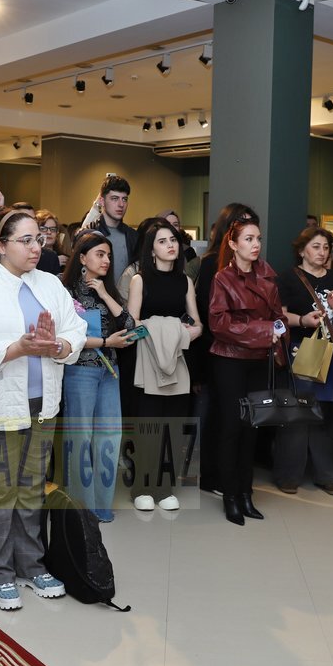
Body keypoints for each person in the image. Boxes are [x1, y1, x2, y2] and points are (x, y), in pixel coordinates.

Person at [0, 208, 86, 610]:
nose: (35, 247)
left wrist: (59, 345)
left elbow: (74, 330)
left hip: (42, 404)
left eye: (38, 239)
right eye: (25, 240)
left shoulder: (50, 283)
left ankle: (31, 565)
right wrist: (15, 349)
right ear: (0, 245)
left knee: (30, 489)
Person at [208, 215, 289, 524]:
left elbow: (279, 317)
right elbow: (219, 323)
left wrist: (277, 332)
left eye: (258, 239)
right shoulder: (222, 278)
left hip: (259, 359)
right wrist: (264, 330)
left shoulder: (268, 275)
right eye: (248, 239)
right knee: (231, 427)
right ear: (233, 244)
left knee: (252, 428)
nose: (256, 245)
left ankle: (246, 494)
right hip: (230, 360)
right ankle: (230, 496)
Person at [274, 227, 333, 496]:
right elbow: (280, 316)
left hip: (329, 352)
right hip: (300, 350)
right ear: (302, 251)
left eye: (326, 248)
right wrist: (302, 320)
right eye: (316, 247)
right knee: (298, 412)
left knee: (325, 413)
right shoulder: (288, 278)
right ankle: (289, 475)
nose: (322, 252)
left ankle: (327, 474)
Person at [126, 219, 202, 511]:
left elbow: (197, 324)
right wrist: (161, 332)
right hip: (147, 358)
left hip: (178, 357)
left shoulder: (185, 281)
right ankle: (142, 488)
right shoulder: (140, 279)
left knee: (173, 425)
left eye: (173, 240)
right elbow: (132, 325)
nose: (170, 245)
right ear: (151, 249)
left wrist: (181, 334)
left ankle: (165, 488)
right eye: (162, 241)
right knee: (148, 426)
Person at [61, 232, 135, 521]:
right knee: (81, 438)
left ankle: (102, 506)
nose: (106, 260)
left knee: (110, 436)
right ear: (82, 258)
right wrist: (106, 342)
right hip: (80, 371)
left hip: (109, 371)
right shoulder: (67, 292)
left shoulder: (108, 289)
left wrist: (105, 294)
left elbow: (129, 324)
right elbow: (68, 338)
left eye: (108, 256)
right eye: (100, 254)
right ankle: (82, 508)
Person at [194, 203, 260, 496]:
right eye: (241, 223)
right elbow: (207, 315)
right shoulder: (212, 264)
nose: (249, 234)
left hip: (248, 354)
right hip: (216, 351)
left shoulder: (257, 267)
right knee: (220, 417)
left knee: (241, 420)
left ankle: (236, 481)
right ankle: (214, 477)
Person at [79, 174, 136, 281]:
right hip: (93, 290)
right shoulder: (89, 233)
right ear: (102, 201)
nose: (121, 204)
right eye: (114, 198)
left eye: (124, 199)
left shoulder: (133, 236)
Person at [35, 208, 68, 273]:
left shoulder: (64, 258)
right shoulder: (31, 256)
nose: (49, 232)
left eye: (53, 229)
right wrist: (53, 262)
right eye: (43, 229)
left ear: (57, 233)